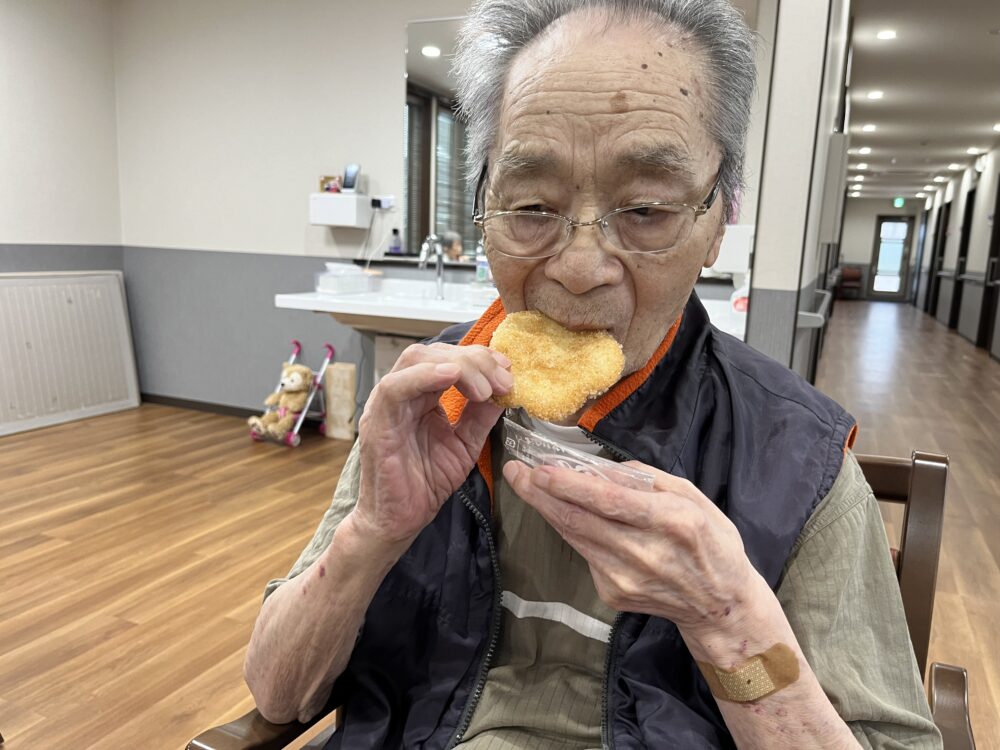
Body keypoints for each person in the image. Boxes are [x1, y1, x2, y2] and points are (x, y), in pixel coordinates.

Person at [244, 1, 942, 747]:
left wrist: (727, 619)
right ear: (486, 206)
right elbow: (279, 693)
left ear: (717, 221)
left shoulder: (795, 458)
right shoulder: (427, 403)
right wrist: (373, 533)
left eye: (644, 208)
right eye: (532, 206)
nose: (578, 270)